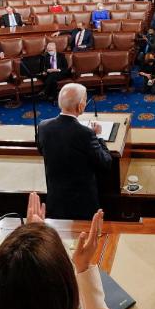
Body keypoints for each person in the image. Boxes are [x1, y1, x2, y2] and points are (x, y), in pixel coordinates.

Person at [35, 84, 113, 219]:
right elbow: (105, 162)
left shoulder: (43, 126)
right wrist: (98, 136)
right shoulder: (86, 134)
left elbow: (42, 150)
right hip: (82, 203)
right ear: (80, 106)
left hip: (56, 198)